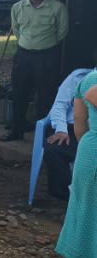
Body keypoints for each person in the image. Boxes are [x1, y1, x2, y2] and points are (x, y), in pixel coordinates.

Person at [2, 0, 69, 142]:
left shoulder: (57, 8)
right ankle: (17, 130)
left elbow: (62, 32)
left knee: (46, 96)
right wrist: (28, 45)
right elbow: (17, 30)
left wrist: (43, 45)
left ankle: (43, 134)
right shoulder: (17, 8)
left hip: (47, 57)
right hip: (23, 56)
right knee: (19, 93)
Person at [55, 70, 97, 258]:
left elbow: (80, 126)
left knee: (82, 213)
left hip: (89, 151)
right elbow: (93, 95)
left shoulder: (88, 78)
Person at [44, 67, 95, 200]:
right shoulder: (78, 77)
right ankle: (66, 195)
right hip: (70, 128)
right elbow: (60, 105)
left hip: (92, 132)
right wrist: (61, 129)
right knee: (54, 150)